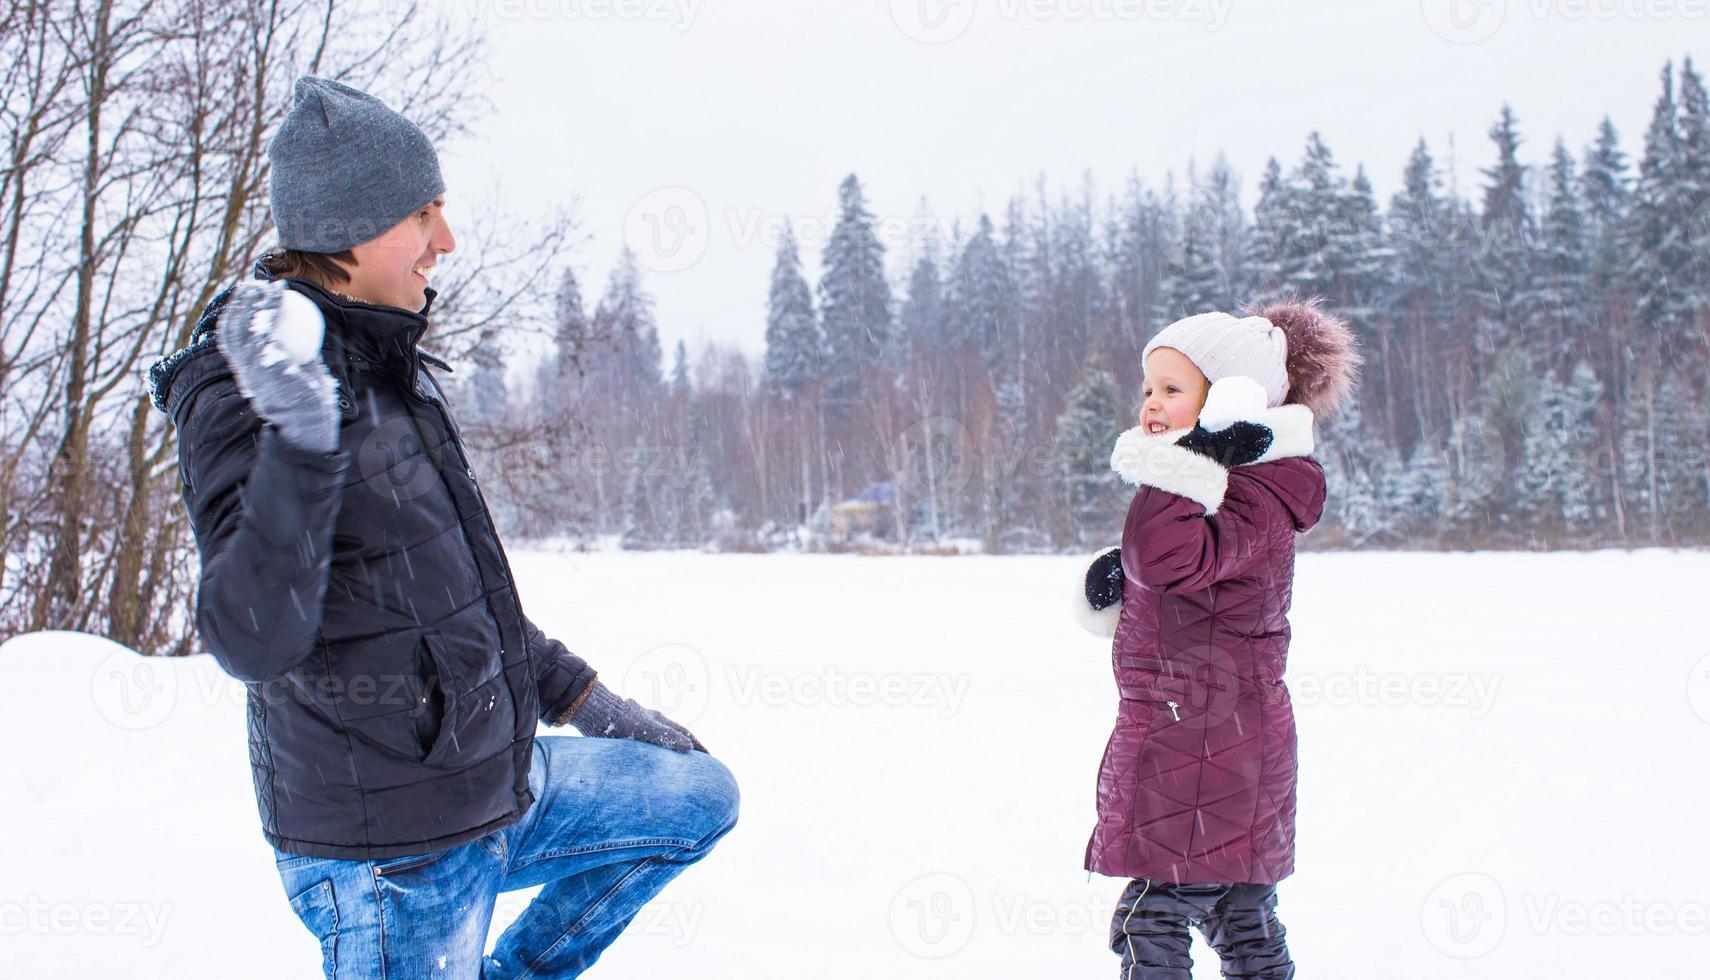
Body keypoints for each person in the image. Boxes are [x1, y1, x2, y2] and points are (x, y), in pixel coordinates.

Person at [146, 75, 737, 978]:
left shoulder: (387, 370)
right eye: (424, 214)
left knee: (697, 797)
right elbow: (251, 638)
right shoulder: (250, 385)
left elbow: (459, 606)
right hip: (391, 854)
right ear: (351, 228)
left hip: (494, 787)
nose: (446, 241)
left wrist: (584, 700)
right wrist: (302, 436)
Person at [1074, 300, 1359, 979]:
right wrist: (1124, 582)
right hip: (1216, 740)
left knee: (1152, 918)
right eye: (1148, 388)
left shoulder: (1248, 490)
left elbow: (1166, 559)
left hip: (1207, 746)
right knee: (1240, 916)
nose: (1150, 404)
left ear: (1230, 401)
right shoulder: (1223, 485)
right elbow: (1179, 578)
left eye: (1173, 390)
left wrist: (1188, 463)